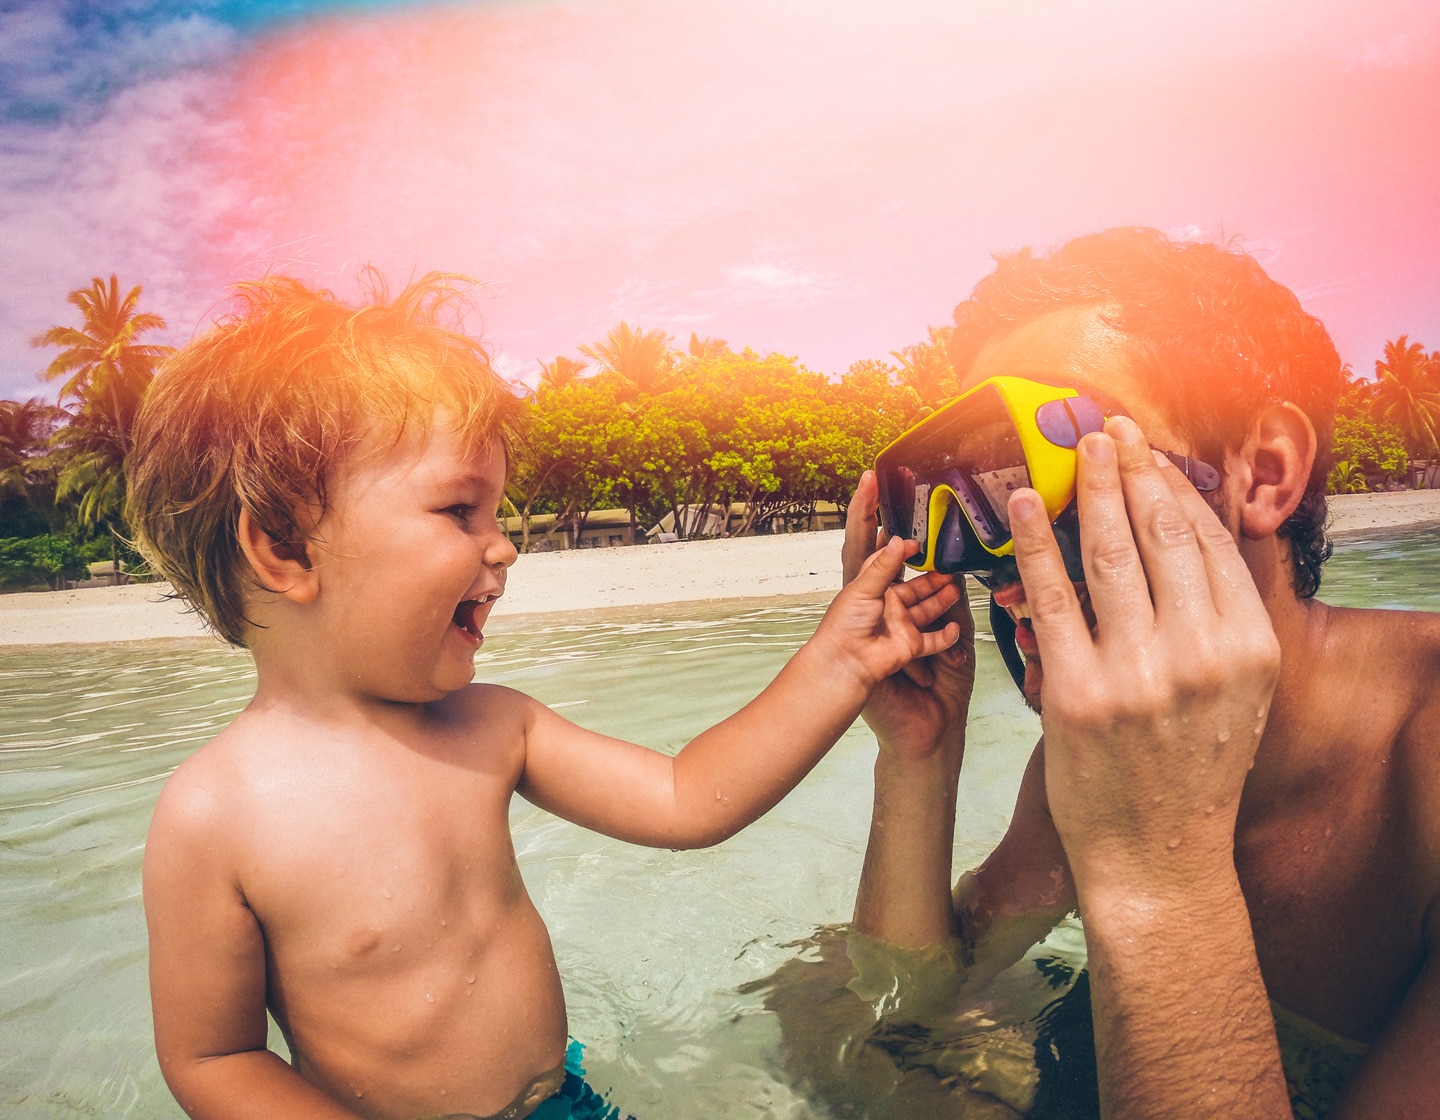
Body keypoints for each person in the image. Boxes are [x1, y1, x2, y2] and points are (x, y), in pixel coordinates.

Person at [126, 273, 963, 1120]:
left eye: (499, 512)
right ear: (284, 548)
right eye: (461, 511)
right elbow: (214, 1057)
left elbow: (688, 800)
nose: (504, 548)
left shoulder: (494, 727)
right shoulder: (213, 816)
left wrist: (842, 658)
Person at [767, 227, 1440, 1119]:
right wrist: (919, 756)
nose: (1011, 576)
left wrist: (1160, 876)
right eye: (985, 500)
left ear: (1264, 471)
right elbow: (907, 998)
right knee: (808, 998)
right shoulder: (1096, 755)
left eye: (1072, 469)